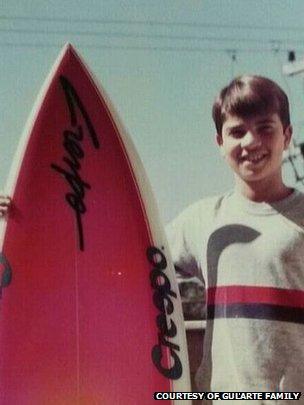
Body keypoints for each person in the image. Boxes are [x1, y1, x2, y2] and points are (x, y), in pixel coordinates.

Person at [166, 75, 304, 401]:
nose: (251, 141)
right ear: (219, 143)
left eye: (265, 128)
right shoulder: (201, 220)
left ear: (287, 136)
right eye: (237, 131)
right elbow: (133, 254)